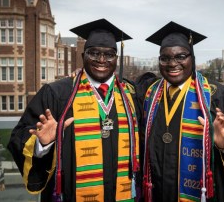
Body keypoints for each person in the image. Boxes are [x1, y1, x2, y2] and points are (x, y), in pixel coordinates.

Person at [7, 18, 140, 202]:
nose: (101, 60)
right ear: (83, 56)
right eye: (94, 53)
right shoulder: (58, 94)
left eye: (109, 54)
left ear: (116, 59)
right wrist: (42, 145)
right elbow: (19, 137)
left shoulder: (130, 95)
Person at [137, 21, 224, 202]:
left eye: (180, 56)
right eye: (165, 58)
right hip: (156, 193)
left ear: (192, 57)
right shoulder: (148, 94)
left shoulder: (218, 96)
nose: (172, 63)